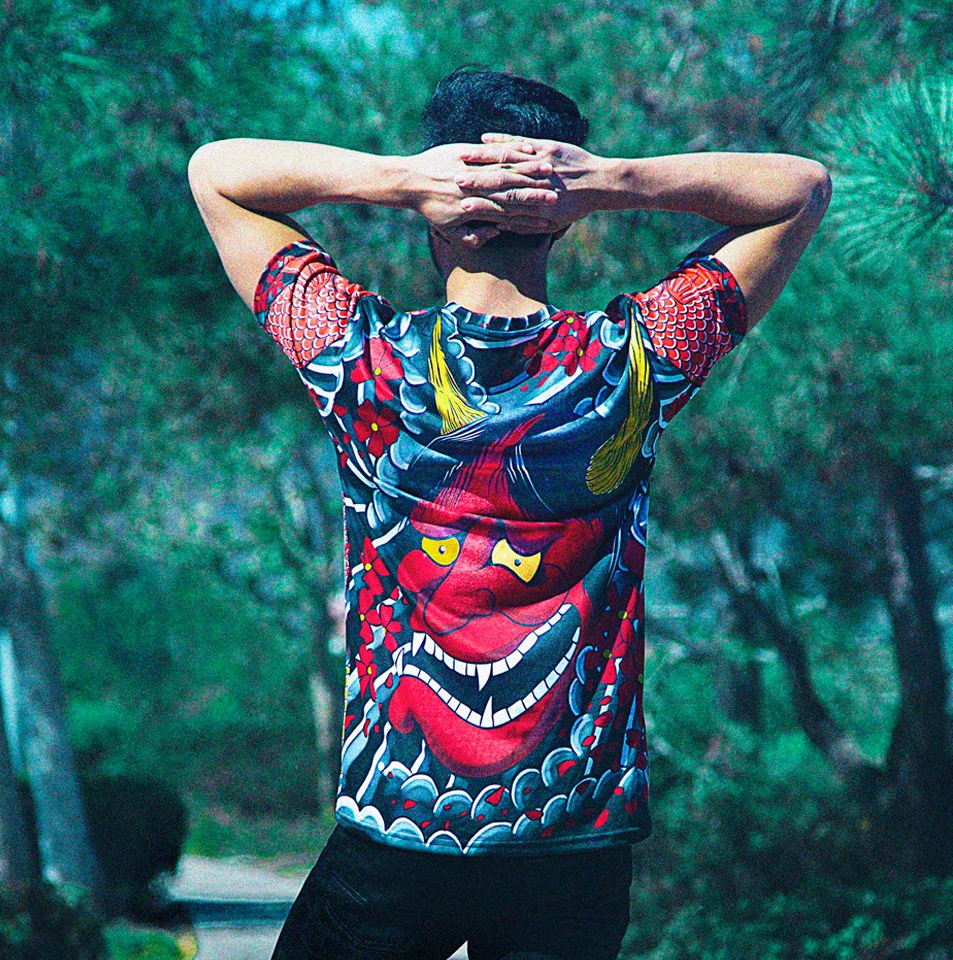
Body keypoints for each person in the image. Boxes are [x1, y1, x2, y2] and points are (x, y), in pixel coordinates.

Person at [188, 66, 831, 960]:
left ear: (438, 208)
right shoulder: (631, 365)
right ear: (558, 219)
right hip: (574, 843)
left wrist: (404, 180)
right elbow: (802, 188)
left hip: (398, 830)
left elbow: (215, 173)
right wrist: (608, 182)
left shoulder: (362, 361)